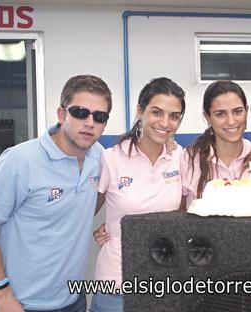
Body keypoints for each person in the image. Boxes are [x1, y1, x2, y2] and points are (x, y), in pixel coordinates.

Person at [0, 75, 112, 312]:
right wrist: (3, 293)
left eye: (99, 117)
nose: (90, 122)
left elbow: (93, 198)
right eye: (80, 112)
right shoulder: (19, 161)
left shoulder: (99, 157)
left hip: (73, 301)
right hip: (23, 304)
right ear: (61, 114)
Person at [89, 77, 186, 312]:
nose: (165, 122)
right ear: (140, 111)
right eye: (157, 112)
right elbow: (82, 211)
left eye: (174, 116)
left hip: (165, 283)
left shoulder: (180, 157)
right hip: (116, 285)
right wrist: (100, 229)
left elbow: (184, 216)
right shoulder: (110, 159)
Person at [180, 80, 251, 208]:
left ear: (246, 111)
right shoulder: (188, 158)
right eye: (220, 114)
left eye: (237, 111)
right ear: (207, 117)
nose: (231, 121)